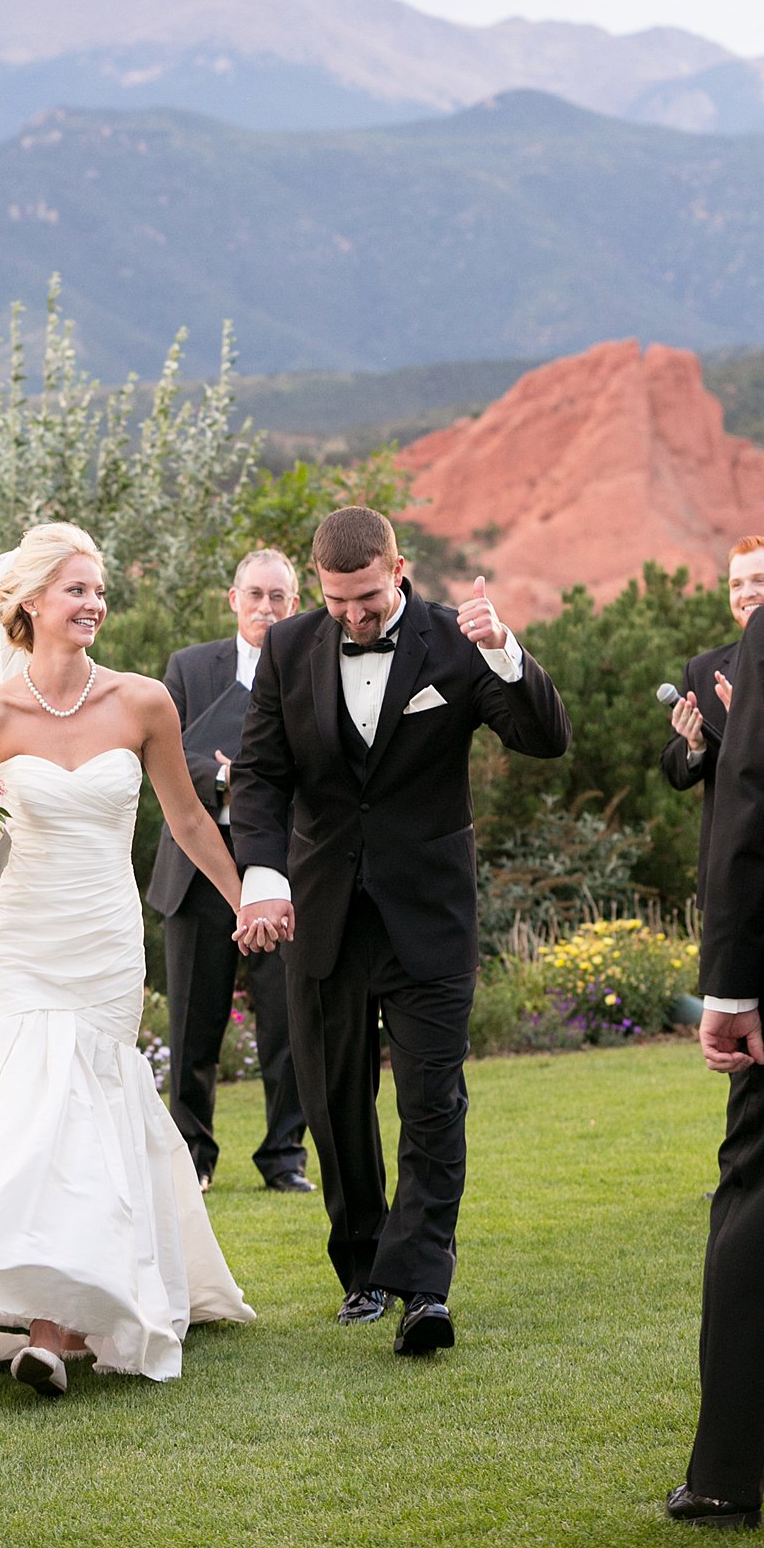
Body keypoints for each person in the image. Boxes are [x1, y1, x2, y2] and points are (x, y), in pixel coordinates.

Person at [0, 523, 277, 1397]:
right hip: (22, 937)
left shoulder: (143, 701)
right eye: (77, 589)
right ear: (30, 600)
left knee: (87, 1106)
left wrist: (244, 900)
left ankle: (61, 1322)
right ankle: (45, 1323)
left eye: (100, 589)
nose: (94, 604)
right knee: (32, 1108)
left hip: (105, 937)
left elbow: (187, 821)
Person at [232, 506, 570, 1356]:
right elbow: (263, 778)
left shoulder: (457, 640)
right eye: (339, 601)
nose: (355, 615)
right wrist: (263, 881)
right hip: (323, 916)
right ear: (319, 584)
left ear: (400, 568)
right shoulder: (286, 649)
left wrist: (503, 652)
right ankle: (362, 1272)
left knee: (431, 1101)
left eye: (370, 598)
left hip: (428, 916)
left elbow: (543, 739)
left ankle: (424, 1286)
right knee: (335, 1104)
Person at [148, 547, 309, 1194]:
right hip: (193, 873)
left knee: (288, 1021)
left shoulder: (312, 668)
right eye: (254, 595)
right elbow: (164, 757)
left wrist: (255, 777)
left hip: (280, 870)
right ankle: (192, 1157)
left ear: (295, 604)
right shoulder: (188, 669)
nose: (265, 608)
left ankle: (284, 1158)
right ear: (232, 598)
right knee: (192, 1022)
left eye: (278, 597)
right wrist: (223, 775)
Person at [666, 597, 764, 1529]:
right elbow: (700, 776)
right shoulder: (708, 665)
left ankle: (732, 1470)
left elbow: (747, 800)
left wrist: (729, 990)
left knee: (753, 1195)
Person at [661, 535, 764, 903]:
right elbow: (673, 772)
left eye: (760, 581)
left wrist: (753, 722)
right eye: (737, 584)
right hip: (730, 880)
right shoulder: (704, 670)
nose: (747, 593)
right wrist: (694, 745)